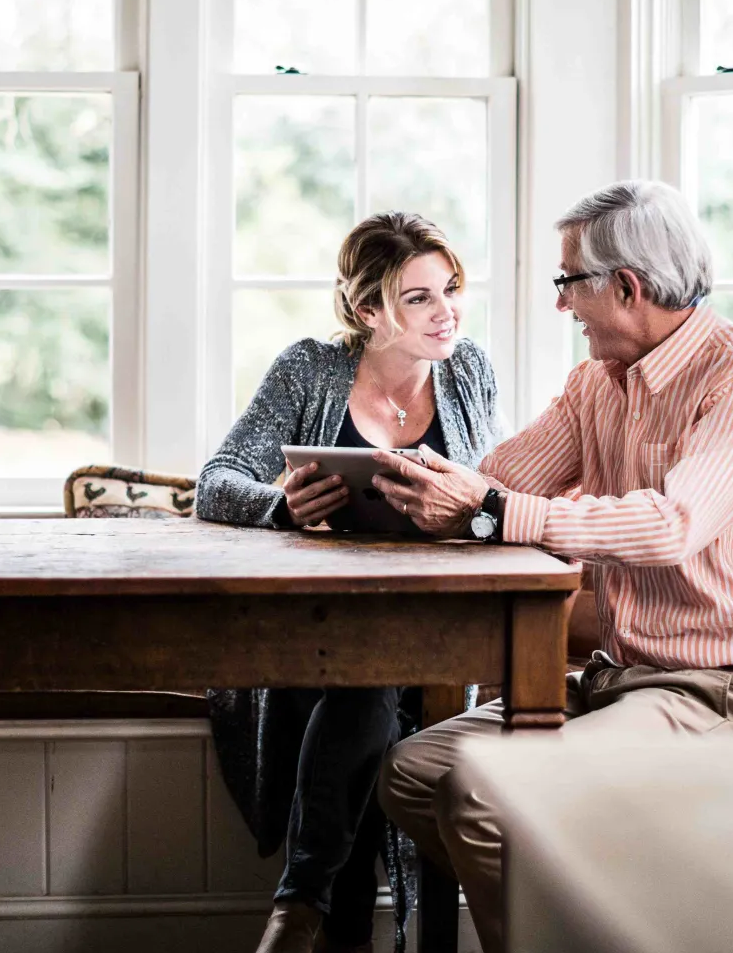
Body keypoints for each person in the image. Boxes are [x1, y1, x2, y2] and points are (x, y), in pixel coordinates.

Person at [369, 180, 733, 953]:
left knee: (483, 795)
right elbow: (498, 479)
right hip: (621, 678)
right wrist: (385, 493)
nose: (561, 304)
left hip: (728, 692)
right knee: (412, 772)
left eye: (568, 282)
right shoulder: (595, 385)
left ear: (627, 287)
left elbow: (669, 524)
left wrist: (491, 508)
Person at [195, 212, 502, 953]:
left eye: (450, 289)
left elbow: (490, 493)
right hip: (315, 634)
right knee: (364, 687)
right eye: (420, 297)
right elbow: (214, 483)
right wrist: (281, 506)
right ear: (369, 310)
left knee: (371, 688)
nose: (447, 311)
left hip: (432, 630)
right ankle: (324, 920)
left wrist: (475, 516)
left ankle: (301, 910)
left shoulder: (470, 373)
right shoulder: (310, 368)